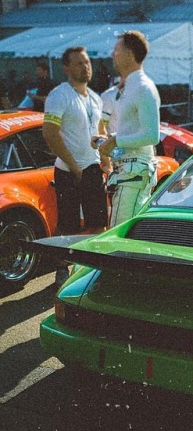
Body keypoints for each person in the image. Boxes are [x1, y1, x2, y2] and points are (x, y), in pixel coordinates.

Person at [42, 46, 108, 287]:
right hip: (68, 170)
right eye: (79, 63)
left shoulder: (95, 98)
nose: (85, 67)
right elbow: (49, 133)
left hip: (91, 167)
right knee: (67, 226)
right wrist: (73, 166)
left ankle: (87, 270)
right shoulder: (59, 95)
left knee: (98, 224)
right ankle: (61, 271)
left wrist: (106, 158)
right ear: (67, 68)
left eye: (87, 62)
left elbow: (98, 131)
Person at [97, 30, 160, 227]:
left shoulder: (143, 87)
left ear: (130, 55)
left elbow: (152, 135)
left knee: (120, 234)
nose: (112, 55)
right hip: (128, 172)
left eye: (117, 50)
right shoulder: (131, 87)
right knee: (122, 232)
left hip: (134, 173)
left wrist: (115, 140)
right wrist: (107, 141)